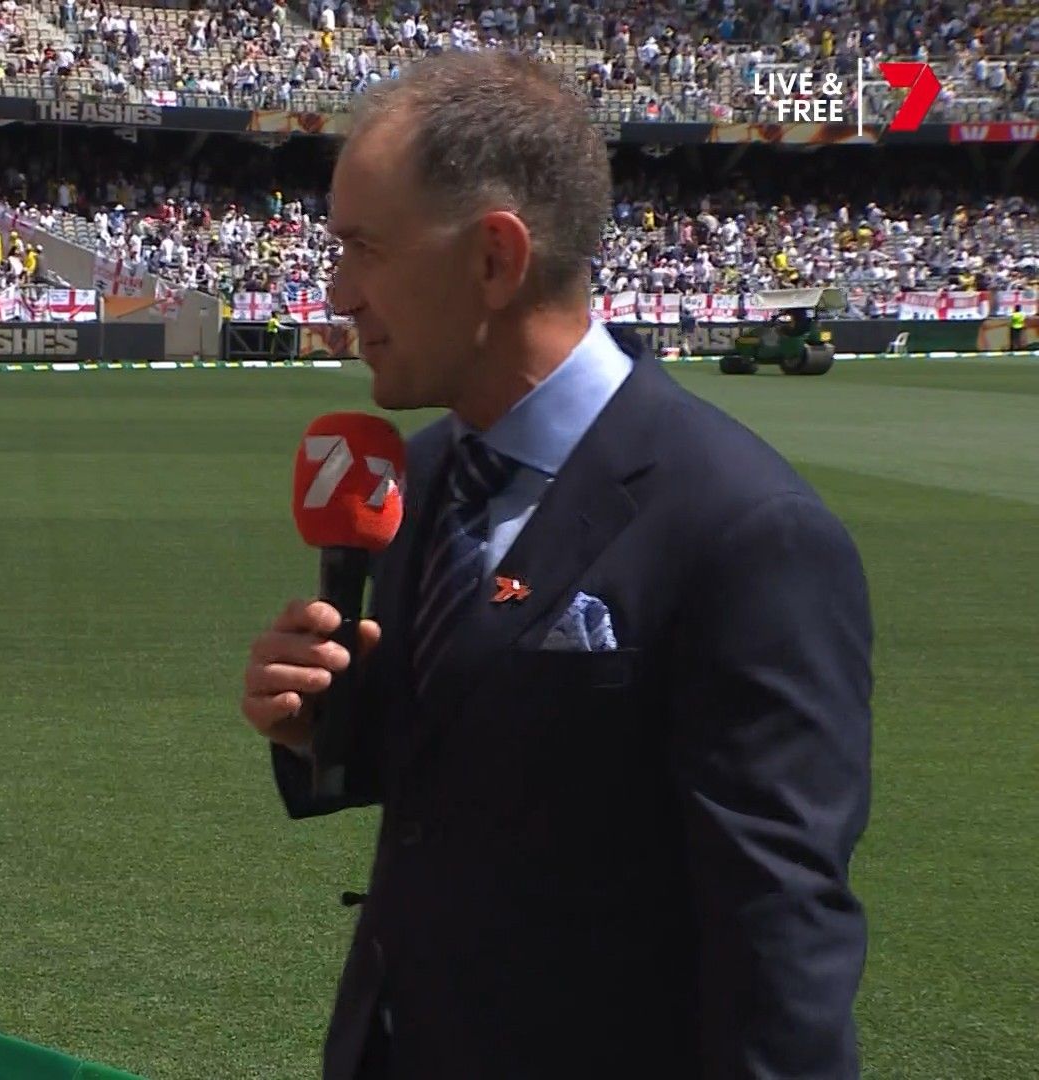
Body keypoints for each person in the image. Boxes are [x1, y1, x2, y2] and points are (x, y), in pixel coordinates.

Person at [238, 51, 872, 1079]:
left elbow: (779, 936)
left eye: (364, 249)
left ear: (495, 259)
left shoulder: (748, 532)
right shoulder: (418, 473)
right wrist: (325, 724)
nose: (339, 292)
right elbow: (476, 769)